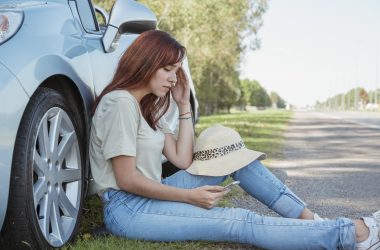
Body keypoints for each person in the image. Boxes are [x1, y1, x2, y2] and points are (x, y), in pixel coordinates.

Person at [89, 30, 380, 250]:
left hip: (152, 192)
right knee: (237, 221)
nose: (174, 79)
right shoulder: (120, 103)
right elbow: (126, 179)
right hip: (128, 208)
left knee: (240, 160)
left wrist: (183, 106)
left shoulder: (146, 106)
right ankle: (354, 235)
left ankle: (310, 221)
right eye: (168, 70)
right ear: (144, 63)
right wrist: (189, 196)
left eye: (177, 72)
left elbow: (182, 159)